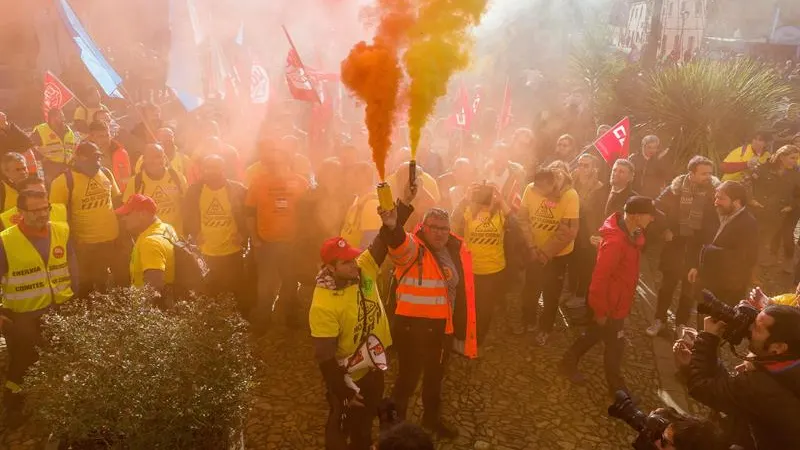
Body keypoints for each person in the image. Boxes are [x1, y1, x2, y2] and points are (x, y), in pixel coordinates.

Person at [310, 188, 414, 450]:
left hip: (374, 364)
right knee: (342, 421)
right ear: (330, 268)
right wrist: (343, 391)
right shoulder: (322, 304)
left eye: (354, 258)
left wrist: (403, 205)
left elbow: (384, 236)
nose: (354, 265)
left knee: (365, 421)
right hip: (348, 375)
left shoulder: (364, 266)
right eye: (345, 263)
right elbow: (324, 356)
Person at [381, 206, 477, 439]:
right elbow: (398, 246)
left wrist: (460, 328)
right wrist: (393, 226)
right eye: (434, 228)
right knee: (407, 379)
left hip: (441, 328)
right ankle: (393, 427)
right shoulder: (413, 247)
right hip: (411, 328)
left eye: (444, 228)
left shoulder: (453, 250)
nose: (440, 233)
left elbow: (460, 291)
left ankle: (431, 419)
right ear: (423, 228)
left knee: (435, 378)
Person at [560, 197, 656, 396]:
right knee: (615, 345)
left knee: (595, 334)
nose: (653, 219)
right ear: (636, 216)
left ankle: (567, 362)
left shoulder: (630, 234)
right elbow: (599, 280)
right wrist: (600, 310)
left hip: (617, 301)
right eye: (650, 215)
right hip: (610, 305)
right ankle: (617, 387)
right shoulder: (615, 242)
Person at [0, 189, 77, 414]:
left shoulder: (61, 231)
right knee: (23, 363)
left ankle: (58, 406)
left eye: (46, 208)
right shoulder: (5, 241)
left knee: (61, 355)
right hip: (23, 315)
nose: (42, 214)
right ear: (21, 212)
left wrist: (75, 295)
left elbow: (73, 267)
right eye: (35, 210)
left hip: (59, 308)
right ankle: (13, 407)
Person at [684, 305, 800, 449]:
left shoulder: (760, 386)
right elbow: (736, 391)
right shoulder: (789, 364)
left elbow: (700, 387)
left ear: (778, 347)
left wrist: (707, 338)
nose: (749, 329)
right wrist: (759, 363)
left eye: (757, 329)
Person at [647, 156, 719, 337]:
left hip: (697, 249)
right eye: (703, 173)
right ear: (691, 173)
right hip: (675, 246)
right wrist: (664, 230)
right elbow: (655, 208)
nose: (708, 177)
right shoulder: (675, 190)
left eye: (710, 173)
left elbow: (716, 222)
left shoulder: (714, 194)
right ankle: (659, 320)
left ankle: (681, 324)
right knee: (666, 287)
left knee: (688, 291)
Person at [246, 138, 309, 333]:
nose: (277, 165)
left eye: (281, 161)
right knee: (265, 284)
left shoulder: (300, 182)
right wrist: (254, 238)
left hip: (291, 243)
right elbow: (249, 212)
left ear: (289, 161)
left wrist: (304, 240)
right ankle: (263, 320)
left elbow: (308, 213)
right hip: (266, 243)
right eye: (273, 161)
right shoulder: (259, 182)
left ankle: (290, 318)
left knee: (290, 282)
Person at [50, 142, 125, 297]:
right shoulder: (63, 182)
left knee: (110, 283)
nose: (96, 163)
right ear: (78, 158)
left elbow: (117, 202)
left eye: (98, 158)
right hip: (84, 245)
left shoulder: (106, 173)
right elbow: (56, 219)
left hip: (111, 241)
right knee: (86, 287)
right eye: (91, 158)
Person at [452, 183, 520, 346]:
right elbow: (453, 220)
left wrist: (501, 200)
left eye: (487, 196)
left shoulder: (500, 214)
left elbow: (516, 226)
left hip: (493, 271)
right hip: (470, 269)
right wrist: (465, 199)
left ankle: (478, 340)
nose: (485, 201)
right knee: (465, 306)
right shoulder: (469, 212)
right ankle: (461, 336)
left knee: (485, 309)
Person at [518, 164, 579, 345]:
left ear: (553, 184)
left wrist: (545, 253)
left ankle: (545, 328)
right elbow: (523, 219)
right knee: (530, 289)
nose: (538, 193)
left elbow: (568, 231)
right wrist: (531, 247)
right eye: (535, 188)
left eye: (542, 190)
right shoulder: (531, 189)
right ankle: (527, 321)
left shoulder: (570, 195)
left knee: (551, 294)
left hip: (557, 256)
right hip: (533, 250)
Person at [183, 155, 247, 305]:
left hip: (232, 251)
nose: (211, 171)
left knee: (235, 291)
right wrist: (194, 233)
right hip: (206, 252)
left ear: (223, 169)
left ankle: (237, 323)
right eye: (207, 168)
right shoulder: (195, 191)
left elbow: (249, 214)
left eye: (215, 167)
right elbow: (187, 214)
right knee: (210, 293)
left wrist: (244, 235)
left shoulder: (237, 189)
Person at [695, 181, 758, 306]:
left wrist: (709, 251)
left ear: (736, 201)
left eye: (721, 199)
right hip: (708, 282)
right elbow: (701, 239)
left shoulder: (748, 224)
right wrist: (696, 267)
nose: (716, 202)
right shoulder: (717, 213)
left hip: (728, 289)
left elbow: (746, 258)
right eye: (716, 197)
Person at [116, 194, 177, 302]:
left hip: (151, 313)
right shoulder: (166, 227)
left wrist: (141, 314)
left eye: (127, 214)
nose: (123, 219)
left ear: (143, 214)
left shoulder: (150, 243)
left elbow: (153, 289)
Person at [751, 145, 800, 270]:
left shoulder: (795, 174)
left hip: (791, 209)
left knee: (787, 235)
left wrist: (791, 206)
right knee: (775, 233)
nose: (795, 161)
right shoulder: (764, 168)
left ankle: (789, 260)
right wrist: (752, 200)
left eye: (796, 158)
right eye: (792, 158)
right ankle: (772, 257)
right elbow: (750, 184)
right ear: (781, 157)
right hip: (774, 208)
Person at [123, 144, 187, 236]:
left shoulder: (177, 178)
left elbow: (188, 206)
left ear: (164, 158)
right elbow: (128, 211)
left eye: (158, 157)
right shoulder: (136, 182)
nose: (155, 161)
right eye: (150, 157)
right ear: (144, 159)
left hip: (176, 237)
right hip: (150, 239)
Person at [340, 162, 381, 250]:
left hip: (356, 261)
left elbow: (369, 244)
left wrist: (356, 263)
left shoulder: (371, 204)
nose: (347, 181)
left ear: (362, 178)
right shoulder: (359, 198)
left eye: (351, 177)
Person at [0, 177, 67, 230]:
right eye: (34, 194)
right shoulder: (5, 219)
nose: (41, 197)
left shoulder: (61, 209)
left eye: (43, 193)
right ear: (21, 195)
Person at [31, 108, 75, 182]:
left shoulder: (68, 130)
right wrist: (41, 158)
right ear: (52, 118)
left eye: (63, 116)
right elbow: (29, 145)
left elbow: (73, 147)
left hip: (68, 166)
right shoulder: (41, 130)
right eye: (61, 117)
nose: (64, 119)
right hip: (51, 166)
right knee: (52, 190)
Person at [87, 121, 131, 192]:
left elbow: (125, 179)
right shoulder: (82, 154)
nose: (106, 140)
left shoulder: (121, 153)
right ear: (91, 137)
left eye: (107, 135)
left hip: (116, 195)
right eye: (101, 136)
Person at [629, 135, 670, 199]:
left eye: (654, 148)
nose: (652, 150)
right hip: (634, 194)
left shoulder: (659, 161)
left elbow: (663, 180)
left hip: (651, 197)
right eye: (649, 147)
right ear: (643, 147)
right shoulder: (633, 159)